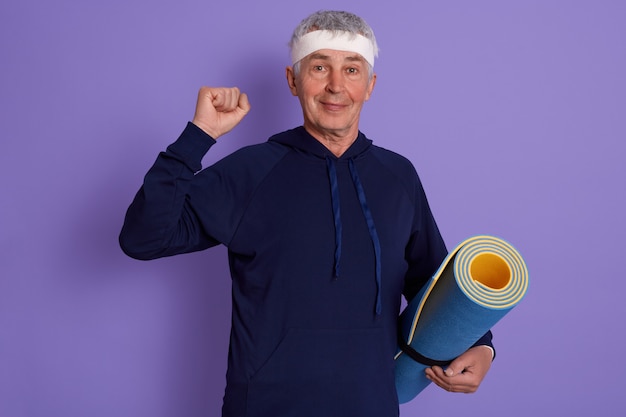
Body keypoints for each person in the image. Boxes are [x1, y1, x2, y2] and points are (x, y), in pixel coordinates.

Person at [119, 10, 494, 417]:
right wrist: (198, 136)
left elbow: (433, 283)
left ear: (370, 85)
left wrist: (481, 344)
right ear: (292, 80)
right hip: (264, 406)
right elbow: (143, 239)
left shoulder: (398, 176)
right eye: (320, 67)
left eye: (351, 69)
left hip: (371, 405)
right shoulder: (251, 171)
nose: (336, 86)